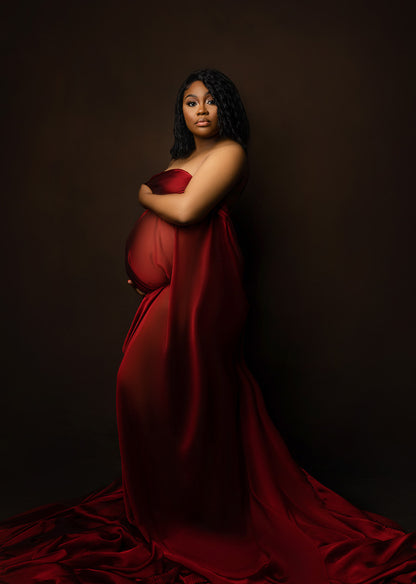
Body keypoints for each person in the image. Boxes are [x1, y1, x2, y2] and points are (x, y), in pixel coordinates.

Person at [0, 69, 415, 584]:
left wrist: (143, 195)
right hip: (172, 290)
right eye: (191, 101)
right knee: (144, 389)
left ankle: (199, 515)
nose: (201, 109)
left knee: (189, 390)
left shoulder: (230, 153)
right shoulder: (184, 158)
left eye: (212, 101)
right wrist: (144, 268)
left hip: (206, 294)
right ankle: (169, 503)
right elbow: (169, 224)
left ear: (226, 111)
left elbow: (190, 209)